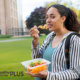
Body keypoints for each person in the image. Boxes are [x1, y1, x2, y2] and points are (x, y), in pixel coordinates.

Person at [25, 4, 80, 80]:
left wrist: (48, 75)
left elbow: (75, 72)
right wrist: (35, 40)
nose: (48, 20)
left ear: (63, 18)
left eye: (52, 17)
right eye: (47, 17)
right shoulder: (50, 36)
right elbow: (38, 60)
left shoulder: (74, 39)